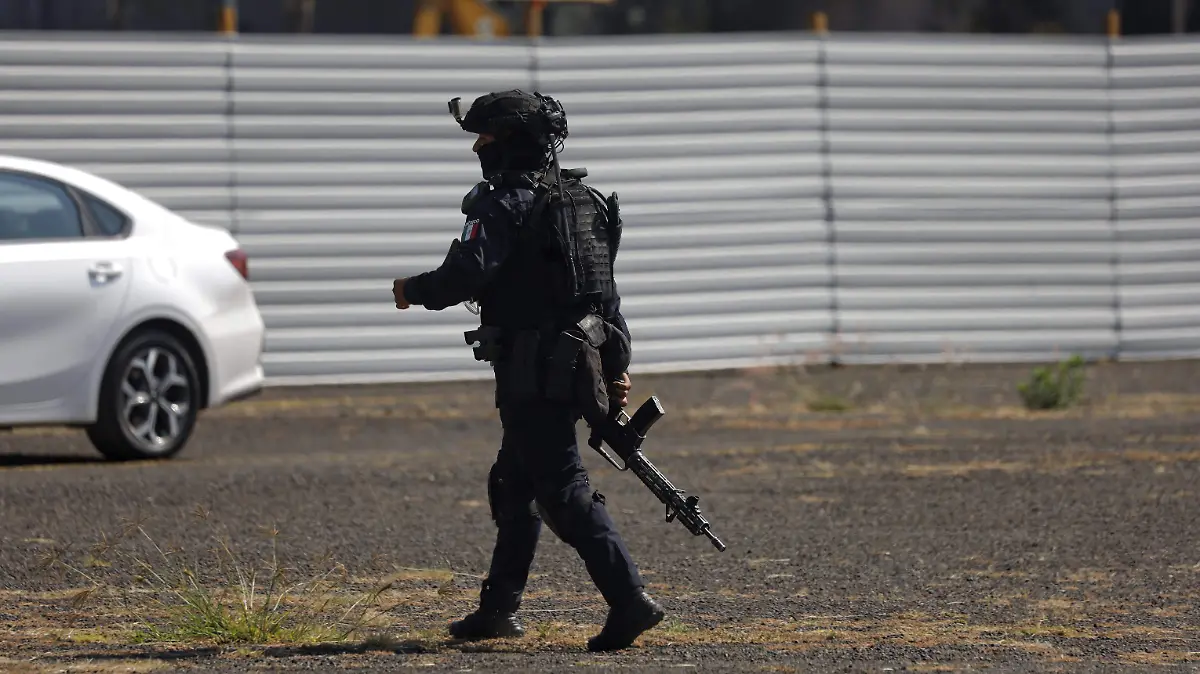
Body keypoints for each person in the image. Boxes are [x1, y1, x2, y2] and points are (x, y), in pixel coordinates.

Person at [391, 90, 665, 652]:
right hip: (574, 365)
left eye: (486, 136)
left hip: (532, 371)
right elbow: (606, 299)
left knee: (562, 489)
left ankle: (629, 600)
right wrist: (617, 365)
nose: (478, 147)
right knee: (514, 485)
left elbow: (465, 274)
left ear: (511, 140)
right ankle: (498, 610)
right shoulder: (581, 202)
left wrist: (411, 290)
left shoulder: (505, 203)